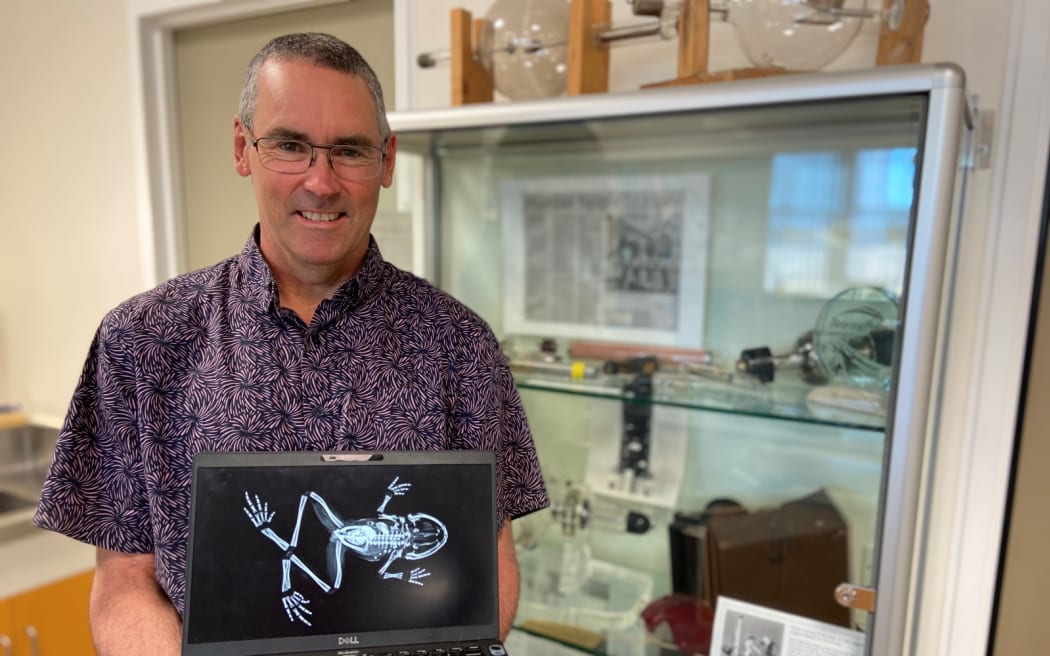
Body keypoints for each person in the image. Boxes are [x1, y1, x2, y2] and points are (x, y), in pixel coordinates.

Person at [33, 32, 549, 655]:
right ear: (243, 149)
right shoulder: (141, 341)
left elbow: (489, 559)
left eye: (350, 150)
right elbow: (124, 579)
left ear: (386, 161)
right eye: (290, 145)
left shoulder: (460, 345)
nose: (321, 182)